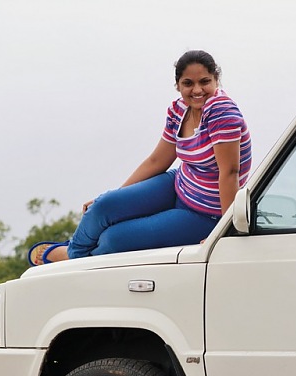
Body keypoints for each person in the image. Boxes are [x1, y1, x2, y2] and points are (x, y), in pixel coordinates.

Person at [28, 49, 252, 265]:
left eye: (204, 82)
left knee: (112, 240)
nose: (197, 90)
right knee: (102, 206)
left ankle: (68, 258)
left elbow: (229, 173)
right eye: (188, 83)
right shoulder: (179, 109)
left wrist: (225, 231)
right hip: (179, 185)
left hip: (206, 214)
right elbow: (157, 160)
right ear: (177, 85)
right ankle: (74, 255)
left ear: (216, 80)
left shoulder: (222, 113)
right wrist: (120, 195)